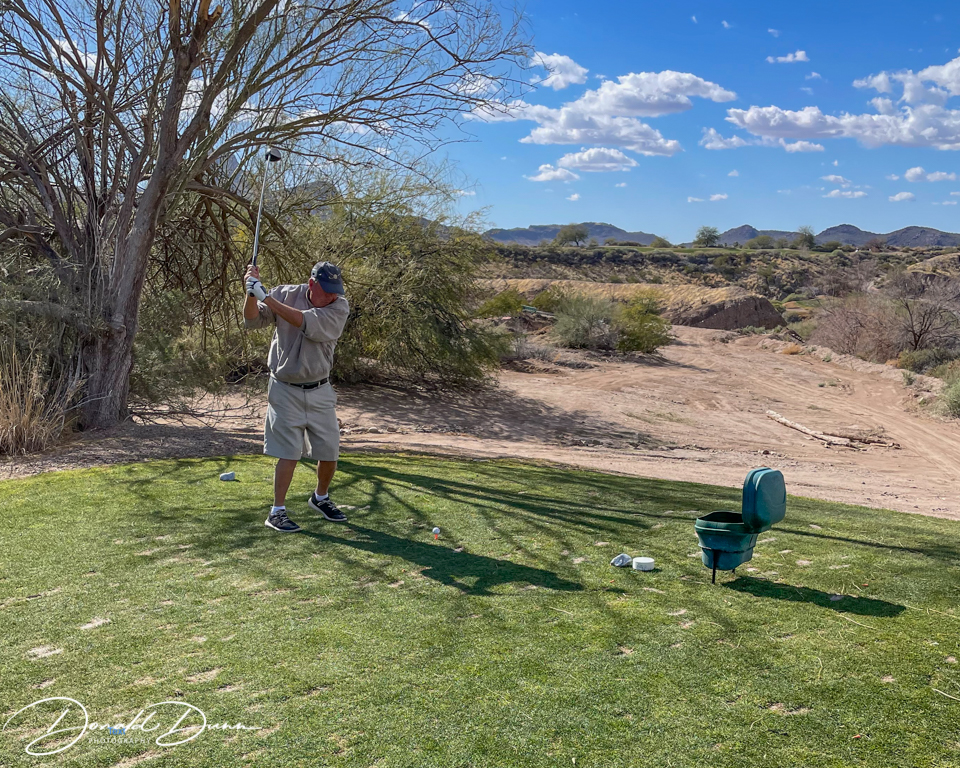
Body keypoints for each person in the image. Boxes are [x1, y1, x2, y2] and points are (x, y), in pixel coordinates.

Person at [243, 261, 350, 532]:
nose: (333, 295)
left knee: (330, 451)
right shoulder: (286, 293)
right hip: (284, 388)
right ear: (312, 284)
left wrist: (266, 297)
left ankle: (320, 498)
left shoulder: (339, 307)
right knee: (289, 452)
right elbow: (252, 321)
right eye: (327, 290)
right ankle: (277, 511)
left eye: (336, 290)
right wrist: (251, 293)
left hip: (320, 389)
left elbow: (305, 321)